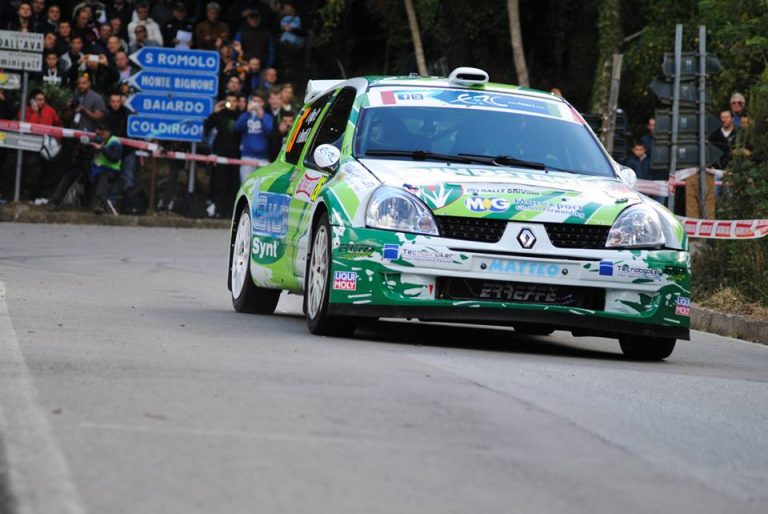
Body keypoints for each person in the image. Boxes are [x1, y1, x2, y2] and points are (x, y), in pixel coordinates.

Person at [203, 94, 241, 218]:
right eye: (228, 101)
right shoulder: (220, 115)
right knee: (220, 183)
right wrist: (214, 113)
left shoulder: (241, 116)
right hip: (221, 154)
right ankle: (219, 210)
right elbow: (207, 126)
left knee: (234, 184)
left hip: (236, 156)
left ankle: (231, 211)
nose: (231, 104)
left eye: (234, 101)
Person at [87, 121, 123, 214]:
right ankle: (55, 201)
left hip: (111, 171)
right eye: (98, 133)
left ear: (108, 132)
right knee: (73, 174)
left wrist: (101, 148)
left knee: (103, 177)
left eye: (102, 133)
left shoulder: (114, 142)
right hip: (95, 169)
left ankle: (99, 204)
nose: (100, 135)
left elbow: (114, 158)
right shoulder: (98, 139)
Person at [235, 94, 273, 182]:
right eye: (254, 101)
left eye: (258, 101)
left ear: (263, 103)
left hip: (263, 157)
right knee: (246, 183)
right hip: (247, 156)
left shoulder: (267, 116)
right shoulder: (246, 115)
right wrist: (248, 112)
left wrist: (262, 117)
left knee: (261, 185)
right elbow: (238, 127)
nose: (256, 104)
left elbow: (270, 132)